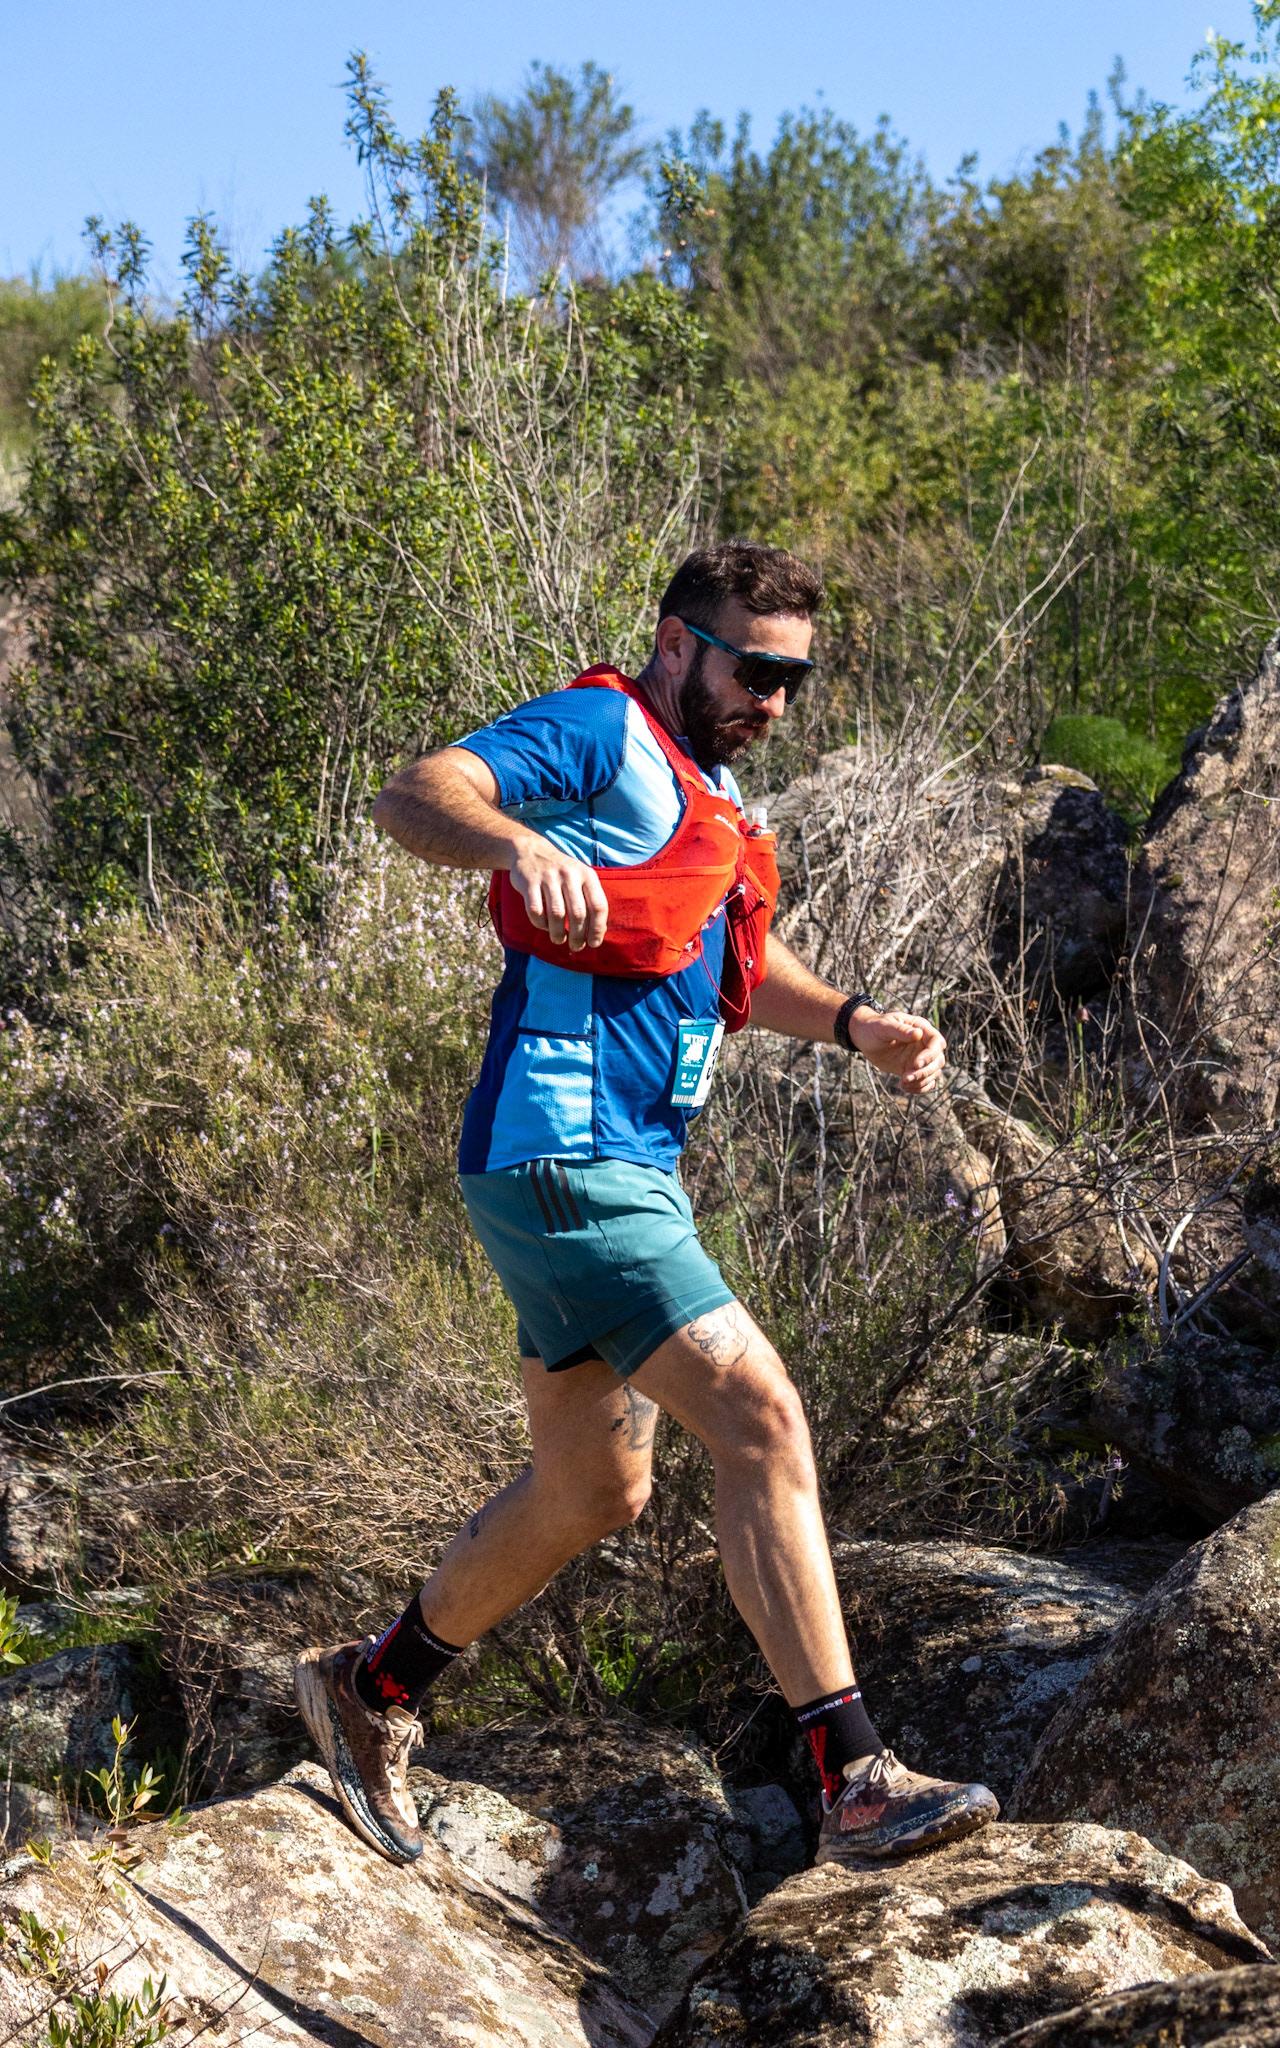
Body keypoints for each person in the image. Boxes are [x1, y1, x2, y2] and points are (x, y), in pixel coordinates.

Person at [295, 539, 998, 1868]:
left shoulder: (712, 797)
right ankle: (854, 1776)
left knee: (595, 1487)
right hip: (569, 1157)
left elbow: (734, 965)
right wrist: (514, 841)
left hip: (598, 1166)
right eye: (751, 670)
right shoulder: (603, 732)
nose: (770, 700)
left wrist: (854, 1023)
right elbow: (418, 792)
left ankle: (370, 1688)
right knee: (760, 1415)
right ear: (678, 643)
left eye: (792, 681)